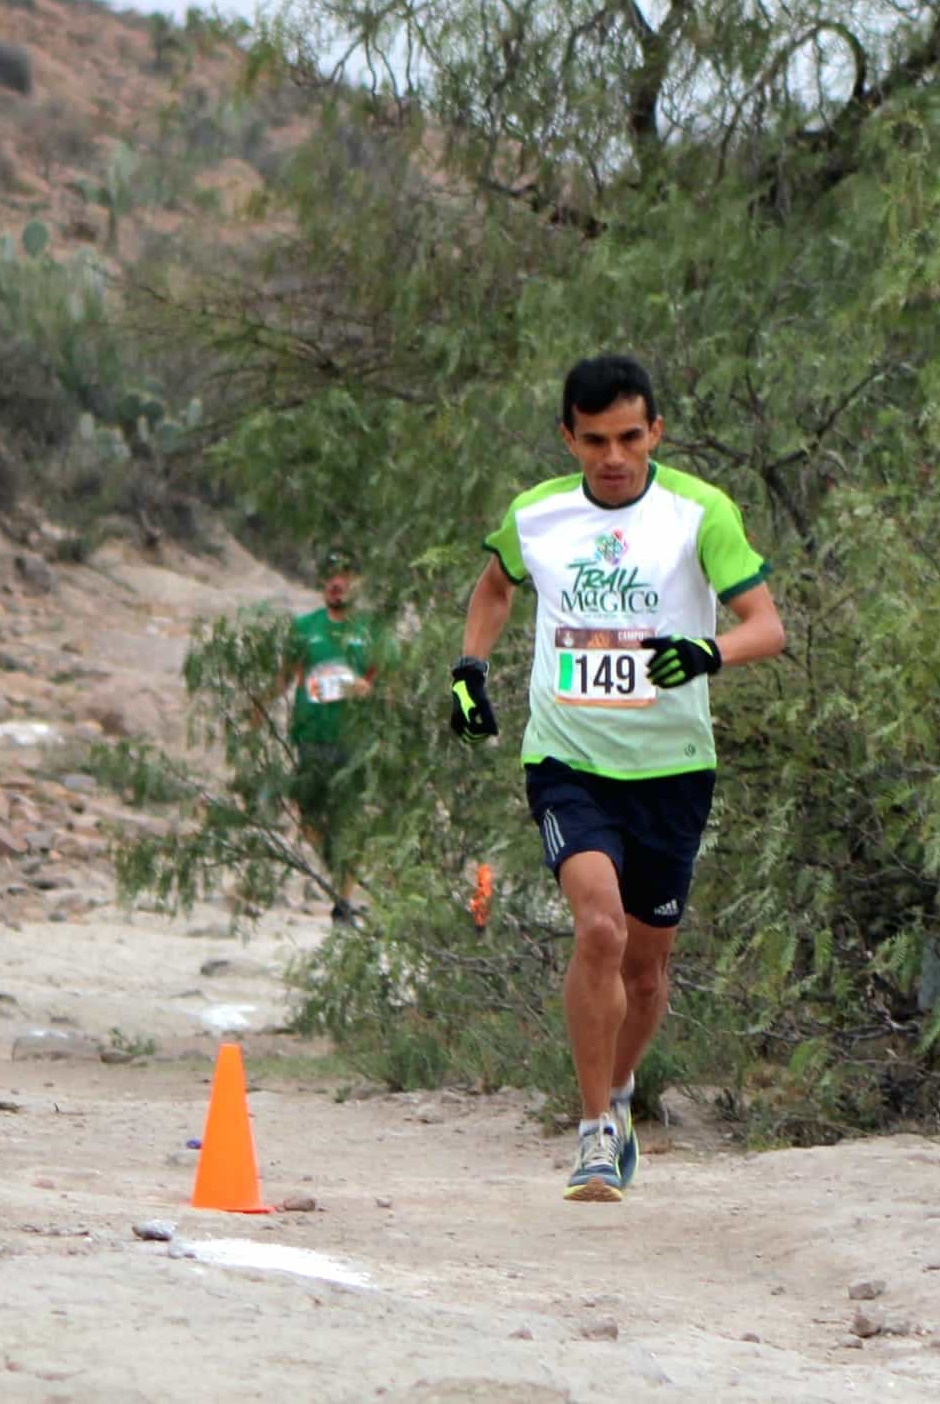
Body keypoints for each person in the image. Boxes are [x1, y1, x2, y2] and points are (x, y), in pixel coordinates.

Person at [448, 355, 785, 1200]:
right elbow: (493, 587)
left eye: (629, 437)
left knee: (644, 970)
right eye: (593, 439)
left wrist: (706, 649)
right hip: (566, 760)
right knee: (597, 928)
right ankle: (593, 1131)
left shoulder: (698, 512)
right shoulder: (538, 514)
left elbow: (766, 625)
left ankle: (624, 1090)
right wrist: (468, 671)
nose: (612, 455)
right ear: (568, 436)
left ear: (655, 432)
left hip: (672, 770)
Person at [278, 549, 384, 925]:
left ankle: (343, 903)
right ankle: (338, 872)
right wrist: (255, 709)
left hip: (353, 741)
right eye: (330, 577)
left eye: (344, 576)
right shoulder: (304, 627)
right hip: (311, 734)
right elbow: (286, 676)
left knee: (350, 821)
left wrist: (367, 689)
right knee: (308, 816)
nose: (336, 584)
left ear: (356, 582)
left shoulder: (370, 629)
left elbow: (383, 678)